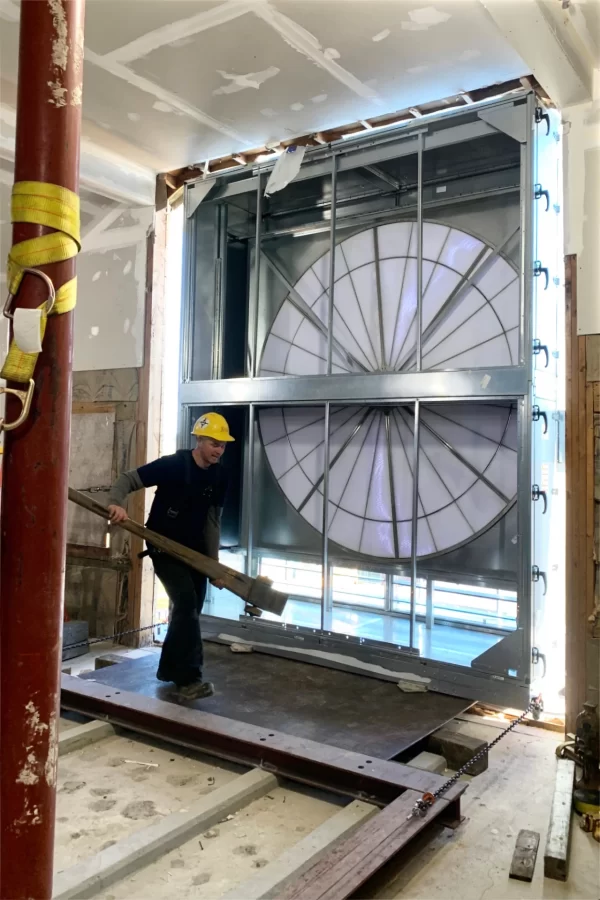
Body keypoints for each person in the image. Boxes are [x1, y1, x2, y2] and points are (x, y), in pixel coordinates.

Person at [107, 412, 234, 700]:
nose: (218, 450)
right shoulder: (173, 465)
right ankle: (189, 679)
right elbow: (128, 480)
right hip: (163, 546)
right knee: (186, 602)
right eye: (214, 443)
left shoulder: (220, 475)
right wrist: (116, 504)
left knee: (190, 610)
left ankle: (168, 671)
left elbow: (213, 522)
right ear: (199, 440)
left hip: (194, 552)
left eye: (223, 445)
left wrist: (213, 566)